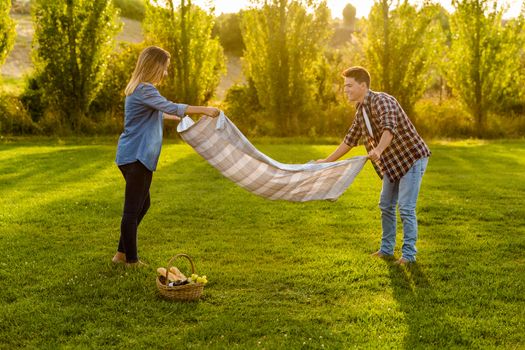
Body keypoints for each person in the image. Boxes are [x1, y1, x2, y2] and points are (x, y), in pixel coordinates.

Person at [113, 46, 220, 267]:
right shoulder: (145, 89)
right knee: (132, 210)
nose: (166, 73)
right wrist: (204, 110)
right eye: (165, 68)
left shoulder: (138, 90)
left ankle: (121, 255)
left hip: (131, 155)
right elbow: (168, 105)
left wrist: (178, 118)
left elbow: (160, 111)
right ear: (154, 66)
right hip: (137, 157)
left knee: (143, 205)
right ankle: (130, 260)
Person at [316, 66, 430, 265]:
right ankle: (386, 250)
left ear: (363, 85)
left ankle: (409, 255)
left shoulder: (382, 101)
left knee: (405, 208)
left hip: (411, 159)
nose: (346, 90)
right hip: (392, 164)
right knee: (385, 205)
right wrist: (327, 161)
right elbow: (349, 140)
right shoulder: (361, 111)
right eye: (345, 86)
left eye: (349, 85)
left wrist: (378, 149)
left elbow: (389, 128)